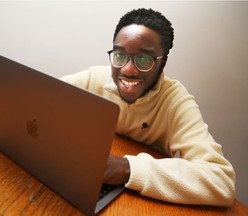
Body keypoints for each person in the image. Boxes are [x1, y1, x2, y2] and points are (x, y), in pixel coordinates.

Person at [60, 8, 235, 206]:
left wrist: (128, 168)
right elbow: (42, 97)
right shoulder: (96, 77)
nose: (127, 69)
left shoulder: (176, 101)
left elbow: (221, 181)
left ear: (163, 62)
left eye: (144, 59)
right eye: (119, 55)